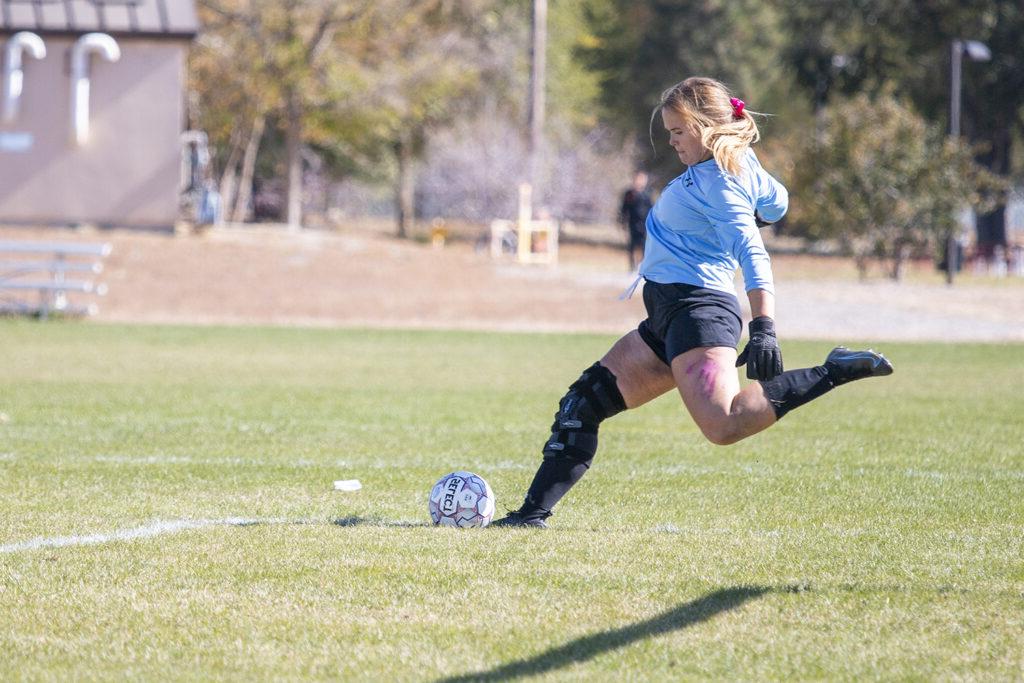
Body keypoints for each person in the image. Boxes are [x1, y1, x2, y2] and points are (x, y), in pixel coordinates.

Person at [493, 76, 894, 528]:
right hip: (668, 317)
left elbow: (753, 253)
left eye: (678, 131)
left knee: (723, 424)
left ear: (706, 126)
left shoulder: (720, 185)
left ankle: (833, 370)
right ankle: (529, 516)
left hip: (699, 313)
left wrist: (764, 325)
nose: (672, 141)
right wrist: (752, 180)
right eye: (669, 131)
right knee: (581, 405)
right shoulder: (731, 170)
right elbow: (778, 203)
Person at [620, 171, 653, 270]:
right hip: (632, 223)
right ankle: (632, 267)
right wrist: (622, 221)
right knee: (632, 245)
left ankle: (642, 266)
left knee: (644, 246)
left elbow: (651, 209)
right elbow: (624, 208)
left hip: (645, 224)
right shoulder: (629, 193)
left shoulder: (647, 193)